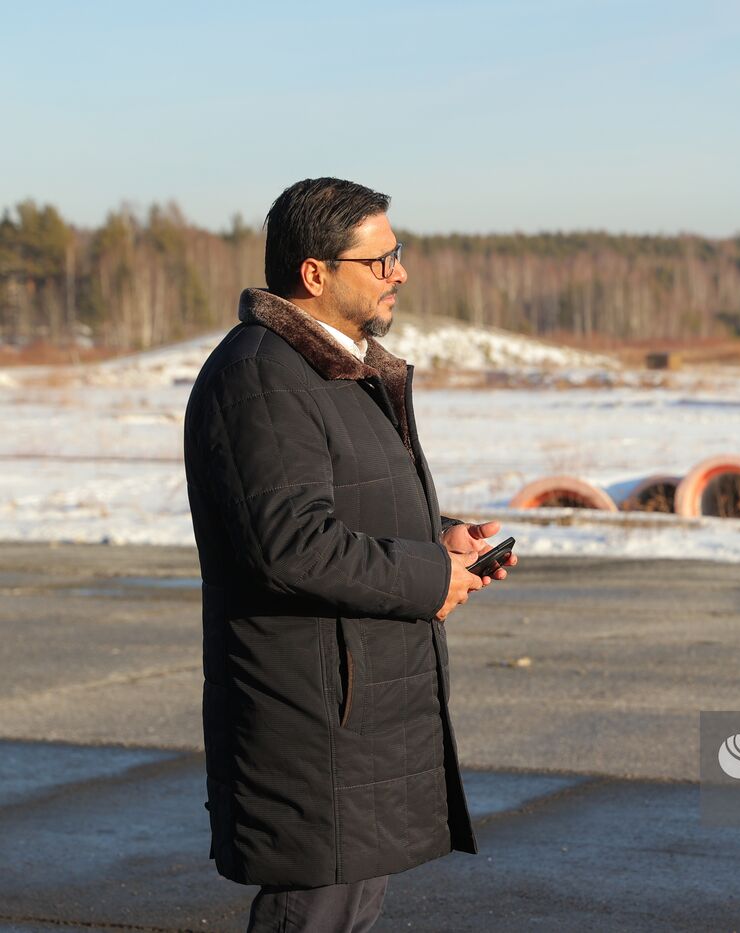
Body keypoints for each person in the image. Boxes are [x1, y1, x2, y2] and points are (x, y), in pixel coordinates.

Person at [183, 177, 516, 932]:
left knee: (351, 903)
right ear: (315, 273)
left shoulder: (337, 368)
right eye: (381, 258)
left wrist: (441, 540)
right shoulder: (260, 377)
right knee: (315, 909)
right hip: (312, 716)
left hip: (357, 705)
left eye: (398, 253)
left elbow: (343, 509)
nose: (399, 271)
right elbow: (290, 545)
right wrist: (431, 577)